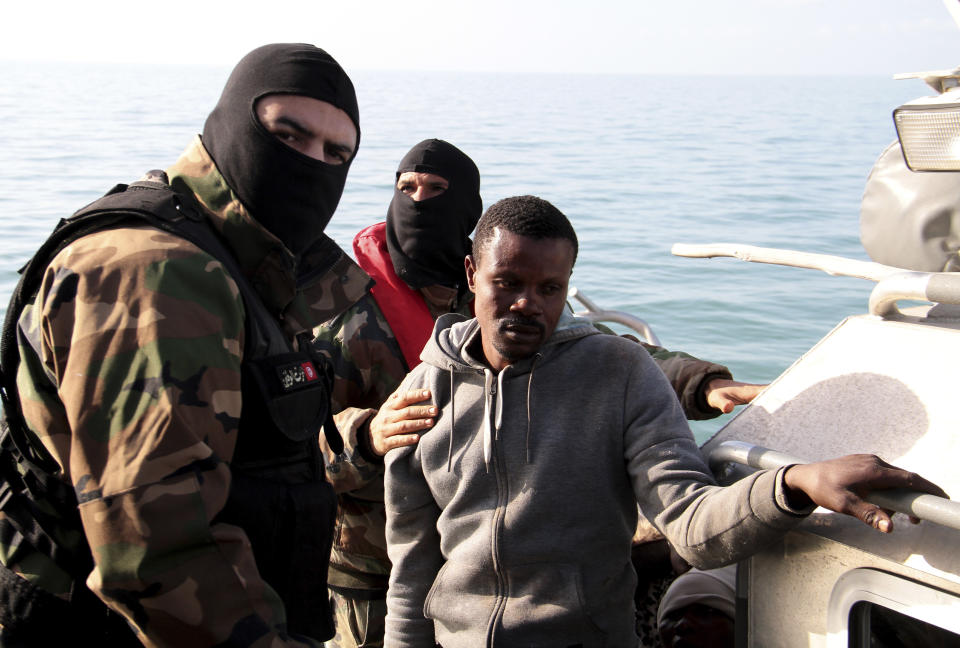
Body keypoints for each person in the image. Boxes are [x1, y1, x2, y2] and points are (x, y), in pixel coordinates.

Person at [380, 195, 946, 647]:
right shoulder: (424, 390)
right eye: (508, 282)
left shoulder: (619, 374)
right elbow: (411, 570)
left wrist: (793, 485)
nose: (529, 304)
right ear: (472, 273)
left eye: (550, 288)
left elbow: (689, 522)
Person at [314, 141, 762, 648]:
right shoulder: (349, 317)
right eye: (406, 188)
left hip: (488, 573)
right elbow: (293, 449)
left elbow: (594, 354)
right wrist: (367, 435)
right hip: (368, 566)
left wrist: (700, 384)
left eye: (436, 189)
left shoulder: (504, 283)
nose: (419, 202)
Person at [0, 43, 369, 646]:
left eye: (336, 153)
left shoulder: (245, 262)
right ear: (230, 126)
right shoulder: (156, 274)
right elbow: (160, 554)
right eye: (287, 134)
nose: (310, 165)